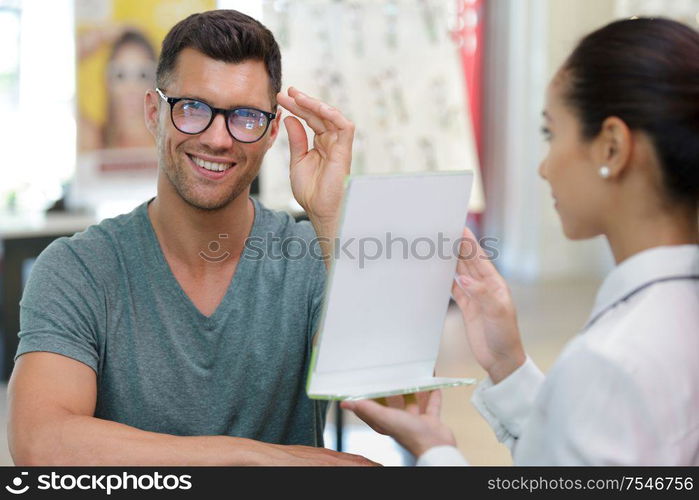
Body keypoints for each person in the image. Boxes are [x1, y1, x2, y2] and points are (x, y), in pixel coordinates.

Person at [8, 10, 375, 466]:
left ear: (272, 132)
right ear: (153, 112)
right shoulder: (78, 269)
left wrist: (332, 221)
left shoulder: (307, 257)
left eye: (244, 117)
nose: (218, 139)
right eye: (194, 109)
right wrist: (254, 458)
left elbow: (398, 404)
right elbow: (41, 441)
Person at [342, 17, 699, 465]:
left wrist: (434, 451)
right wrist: (507, 364)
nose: (544, 167)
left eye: (552, 133)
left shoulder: (614, 362)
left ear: (611, 147)